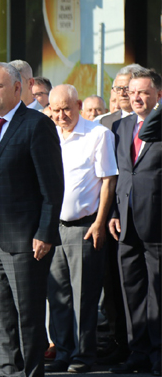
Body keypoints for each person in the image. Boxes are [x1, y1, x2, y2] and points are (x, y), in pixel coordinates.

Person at [0, 62, 64, 377]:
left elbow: (52, 186)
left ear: (16, 88)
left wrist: (45, 232)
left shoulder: (37, 125)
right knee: (1, 316)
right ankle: (9, 371)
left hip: (27, 239)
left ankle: (31, 373)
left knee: (27, 314)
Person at [45, 85, 118, 373]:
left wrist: (100, 222)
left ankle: (84, 355)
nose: (61, 115)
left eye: (66, 108)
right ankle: (63, 351)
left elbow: (108, 181)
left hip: (84, 227)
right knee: (58, 295)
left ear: (77, 104)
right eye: (55, 109)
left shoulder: (98, 134)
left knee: (84, 296)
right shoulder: (49, 134)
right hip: (53, 227)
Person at [108, 68, 161, 376]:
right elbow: (119, 174)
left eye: (143, 92)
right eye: (132, 92)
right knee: (132, 291)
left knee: (158, 292)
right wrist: (114, 213)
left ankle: (158, 354)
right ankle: (137, 352)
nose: (136, 97)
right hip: (125, 222)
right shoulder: (121, 125)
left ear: (157, 95)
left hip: (156, 222)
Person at [98, 64, 145, 129]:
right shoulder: (106, 122)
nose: (122, 93)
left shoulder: (150, 118)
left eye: (127, 88)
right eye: (118, 88)